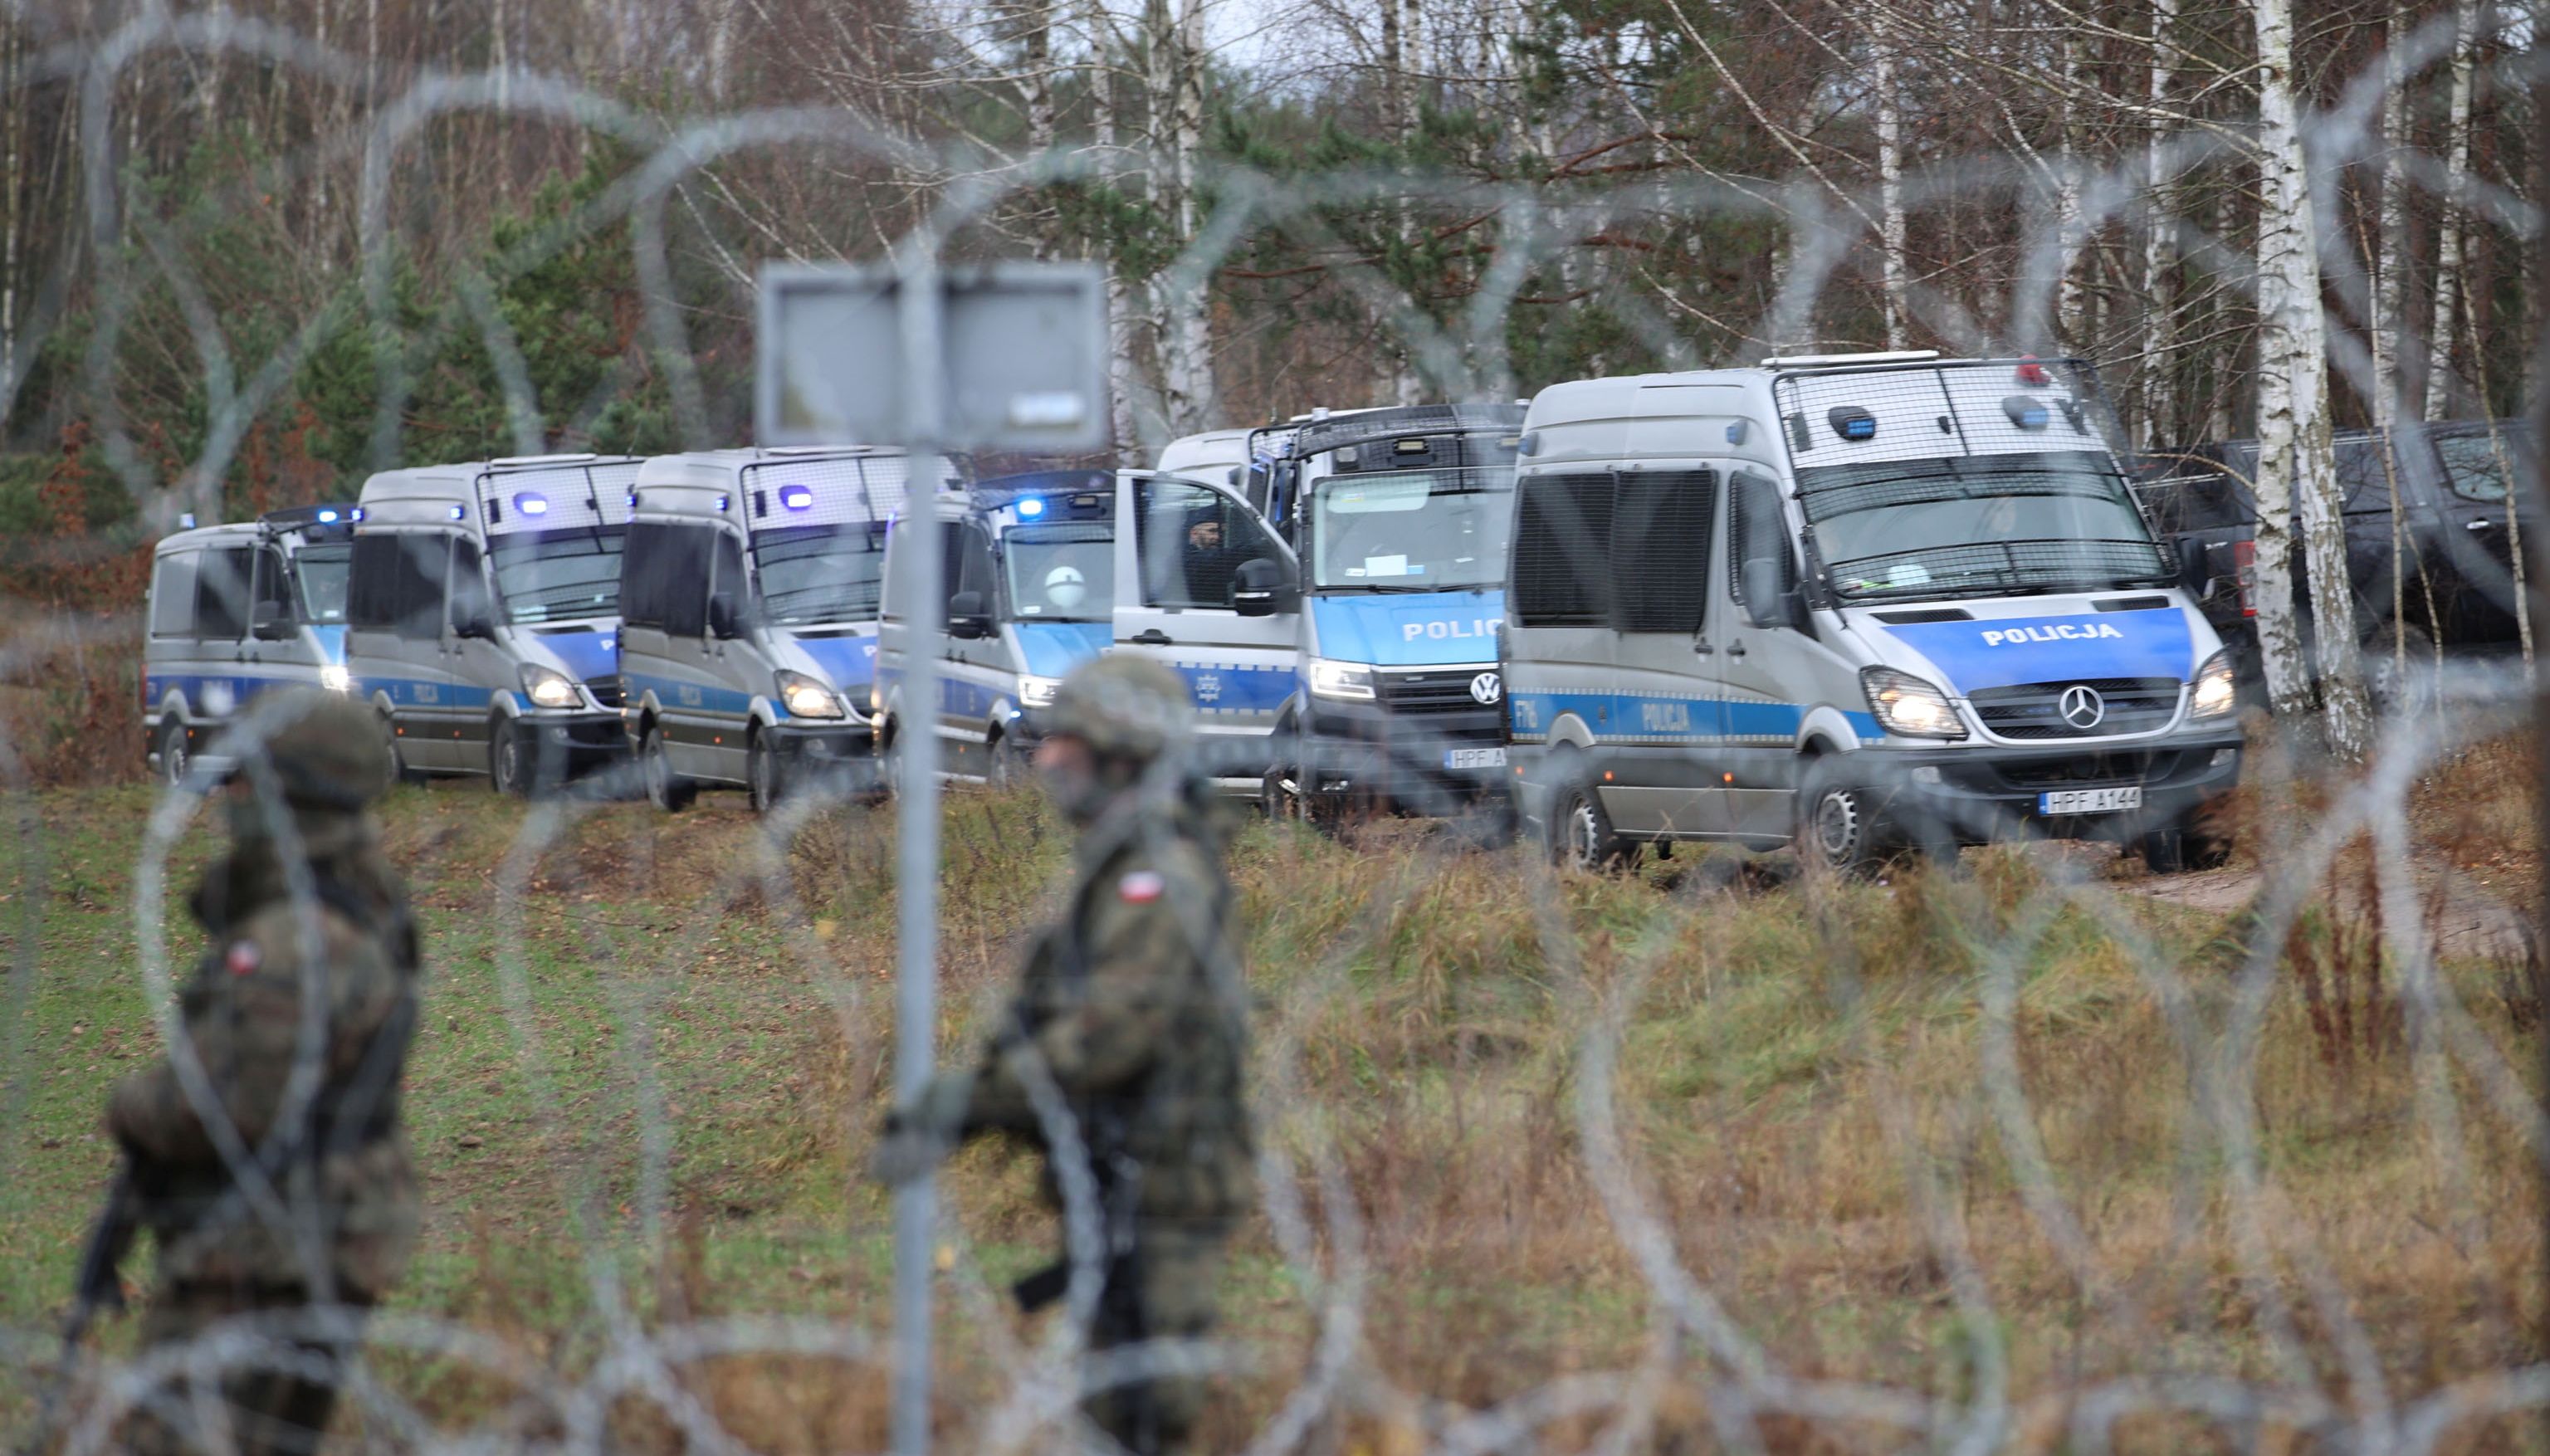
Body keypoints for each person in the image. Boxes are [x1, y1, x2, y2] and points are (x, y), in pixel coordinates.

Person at [872, 654, 1254, 1456]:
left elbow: (1111, 1033)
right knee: (1114, 1401)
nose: (1044, 761)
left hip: (1163, 1177)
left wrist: (970, 1104)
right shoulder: (1122, 865)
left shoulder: (1160, 875)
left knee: (1142, 1411)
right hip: (1124, 1172)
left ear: (1119, 753)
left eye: (1064, 743)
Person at [103, 689, 423, 1456]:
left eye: (243, 781)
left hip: (264, 1253)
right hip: (311, 1235)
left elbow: (225, 1106)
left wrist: (129, 1105)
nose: (225, 799)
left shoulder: (294, 939)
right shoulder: (356, 904)